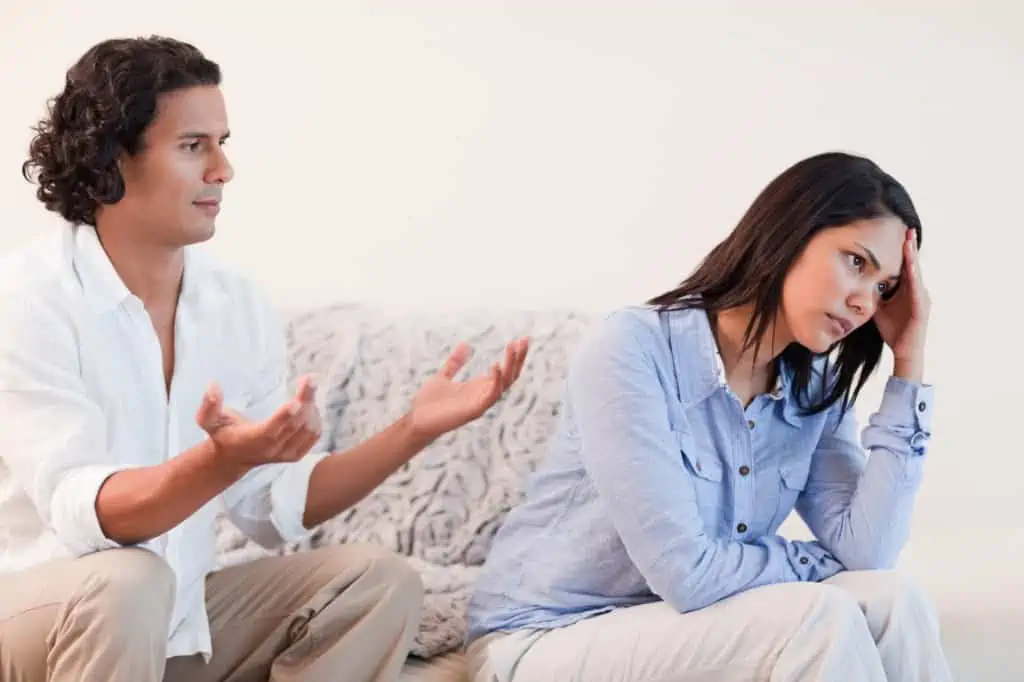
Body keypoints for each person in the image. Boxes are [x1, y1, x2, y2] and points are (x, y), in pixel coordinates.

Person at [0, 35, 529, 682]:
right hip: (43, 623)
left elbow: (271, 509)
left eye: (222, 143)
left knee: (375, 581)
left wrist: (413, 430)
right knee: (129, 580)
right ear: (112, 159)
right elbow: (90, 517)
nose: (223, 169)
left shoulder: (236, 305)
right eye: (193, 146)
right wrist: (221, 459)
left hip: (174, 626)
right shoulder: (28, 298)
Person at [465, 151, 952, 681]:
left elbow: (868, 550)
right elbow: (687, 572)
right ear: (792, 231)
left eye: (883, 288)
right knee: (819, 618)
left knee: (895, 599)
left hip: (689, 627)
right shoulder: (632, 348)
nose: (865, 303)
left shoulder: (813, 389)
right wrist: (816, 564)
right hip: (544, 636)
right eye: (856, 262)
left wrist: (909, 360)